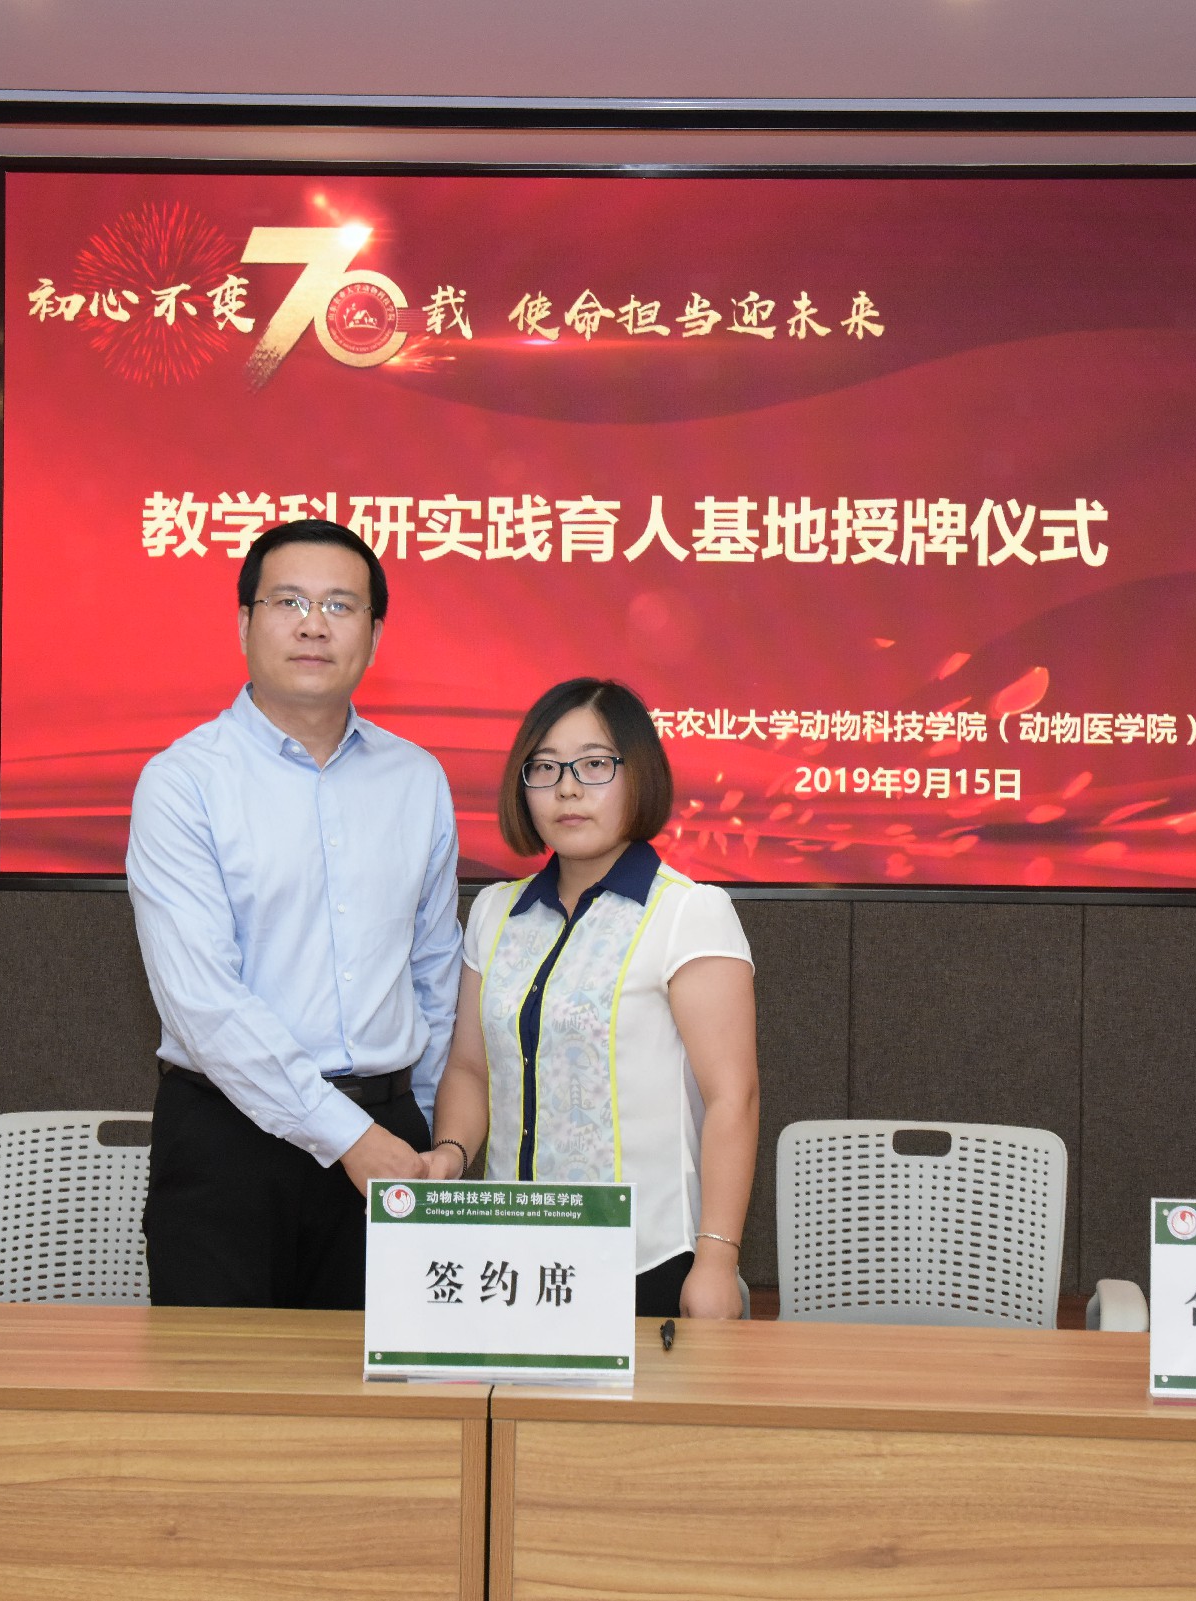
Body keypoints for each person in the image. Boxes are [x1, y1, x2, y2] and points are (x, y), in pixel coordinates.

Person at [126, 519, 460, 1310]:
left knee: (389, 1386)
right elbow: (203, 1002)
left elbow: (435, 973)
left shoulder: (417, 779)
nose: (315, 624)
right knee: (221, 1382)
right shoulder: (183, 782)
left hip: (390, 1139)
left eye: (341, 605)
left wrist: (430, 1133)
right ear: (244, 622)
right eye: (289, 601)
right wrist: (347, 1136)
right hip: (229, 1143)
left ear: (375, 635)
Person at [426, 679, 759, 1319]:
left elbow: (732, 1098)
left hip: (645, 1260)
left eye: (594, 765)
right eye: (545, 768)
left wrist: (717, 1261)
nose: (567, 789)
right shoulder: (495, 912)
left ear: (640, 775)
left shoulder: (688, 912)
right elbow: (470, 1068)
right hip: (513, 1259)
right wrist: (451, 1153)